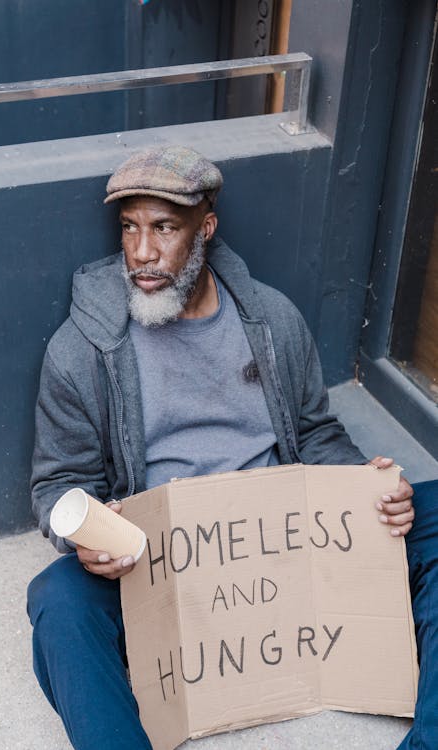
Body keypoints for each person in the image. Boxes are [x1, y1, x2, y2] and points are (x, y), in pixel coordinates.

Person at [27, 144, 436, 750]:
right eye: (129, 228)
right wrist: (89, 533)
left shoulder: (271, 319)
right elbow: (56, 484)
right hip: (159, 563)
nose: (141, 252)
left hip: (285, 549)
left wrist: (367, 485)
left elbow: (317, 432)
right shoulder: (81, 349)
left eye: (164, 228)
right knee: (57, 598)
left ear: (206, 228)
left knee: (426, 510)